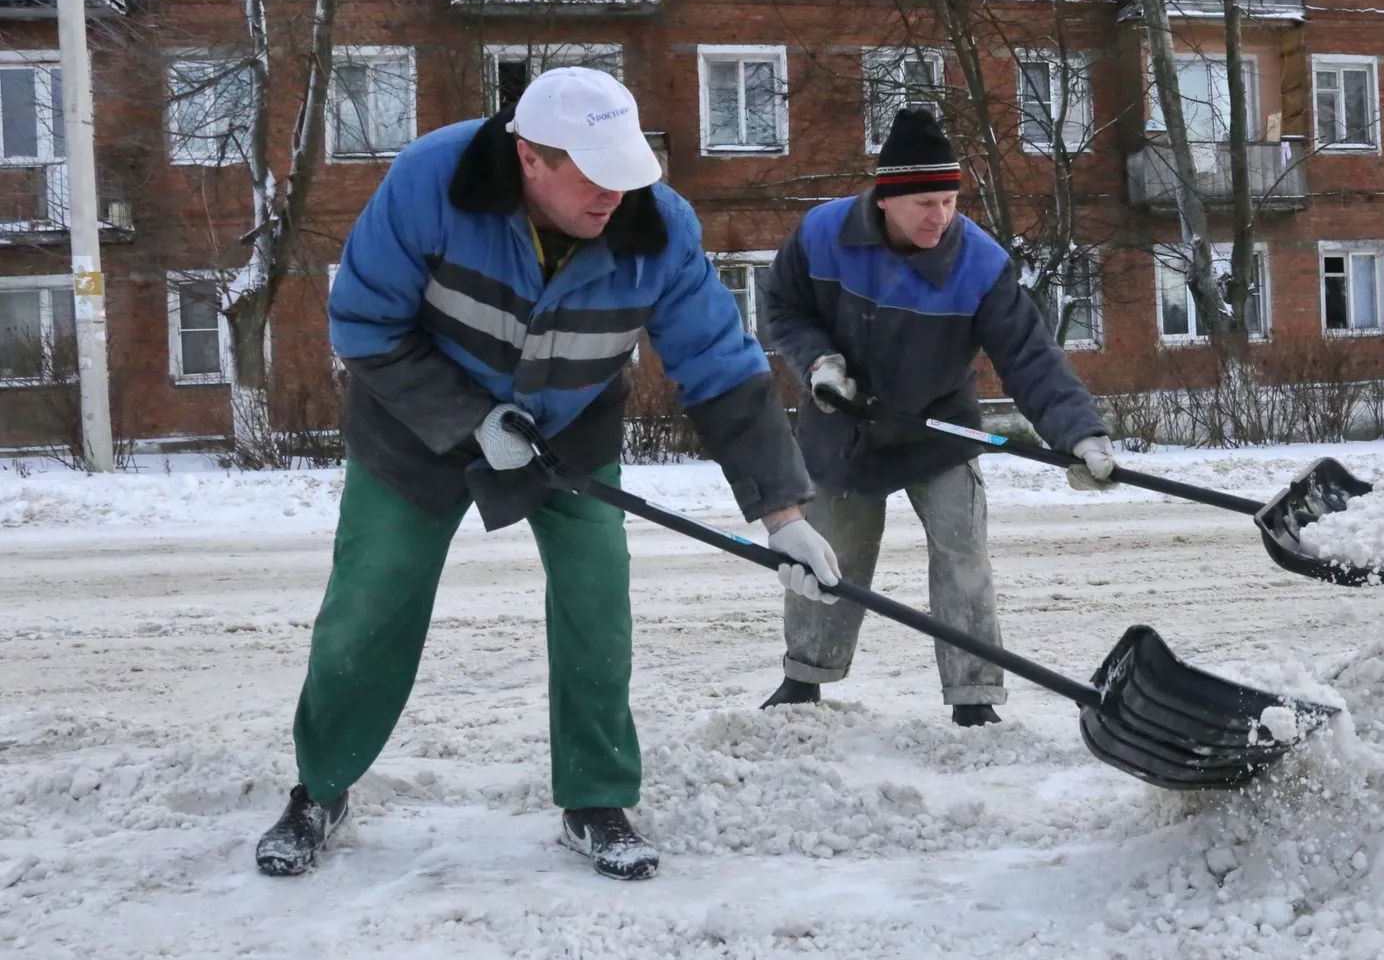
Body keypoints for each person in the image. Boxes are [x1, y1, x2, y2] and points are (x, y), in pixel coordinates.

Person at [253, 67, 842, 882]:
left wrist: (784, 516)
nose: (615, 197)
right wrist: (470, 419)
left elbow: (720, 366)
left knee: (597, 604)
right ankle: (319, 789)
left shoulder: (659, 226)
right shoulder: (430, 184)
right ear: (530, 157)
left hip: (567, 431)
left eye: (626, 173)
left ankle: (596, 798)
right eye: (594, 177)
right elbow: (363, 324)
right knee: (370, 603)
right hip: (413, 430)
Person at [755, 108, 1114, 726]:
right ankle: (804, 678)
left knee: (962, 556)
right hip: (842, 424)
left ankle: (974, 697)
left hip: (938, 429)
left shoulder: (980, 263)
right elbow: (782, 307)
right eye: (925, 202)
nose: (940, 217)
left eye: (949, 201)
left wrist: (1080, 433)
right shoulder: (822, 234)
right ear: (886, 199)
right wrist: (820, 362)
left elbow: (1030, 357)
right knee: (829, 554)